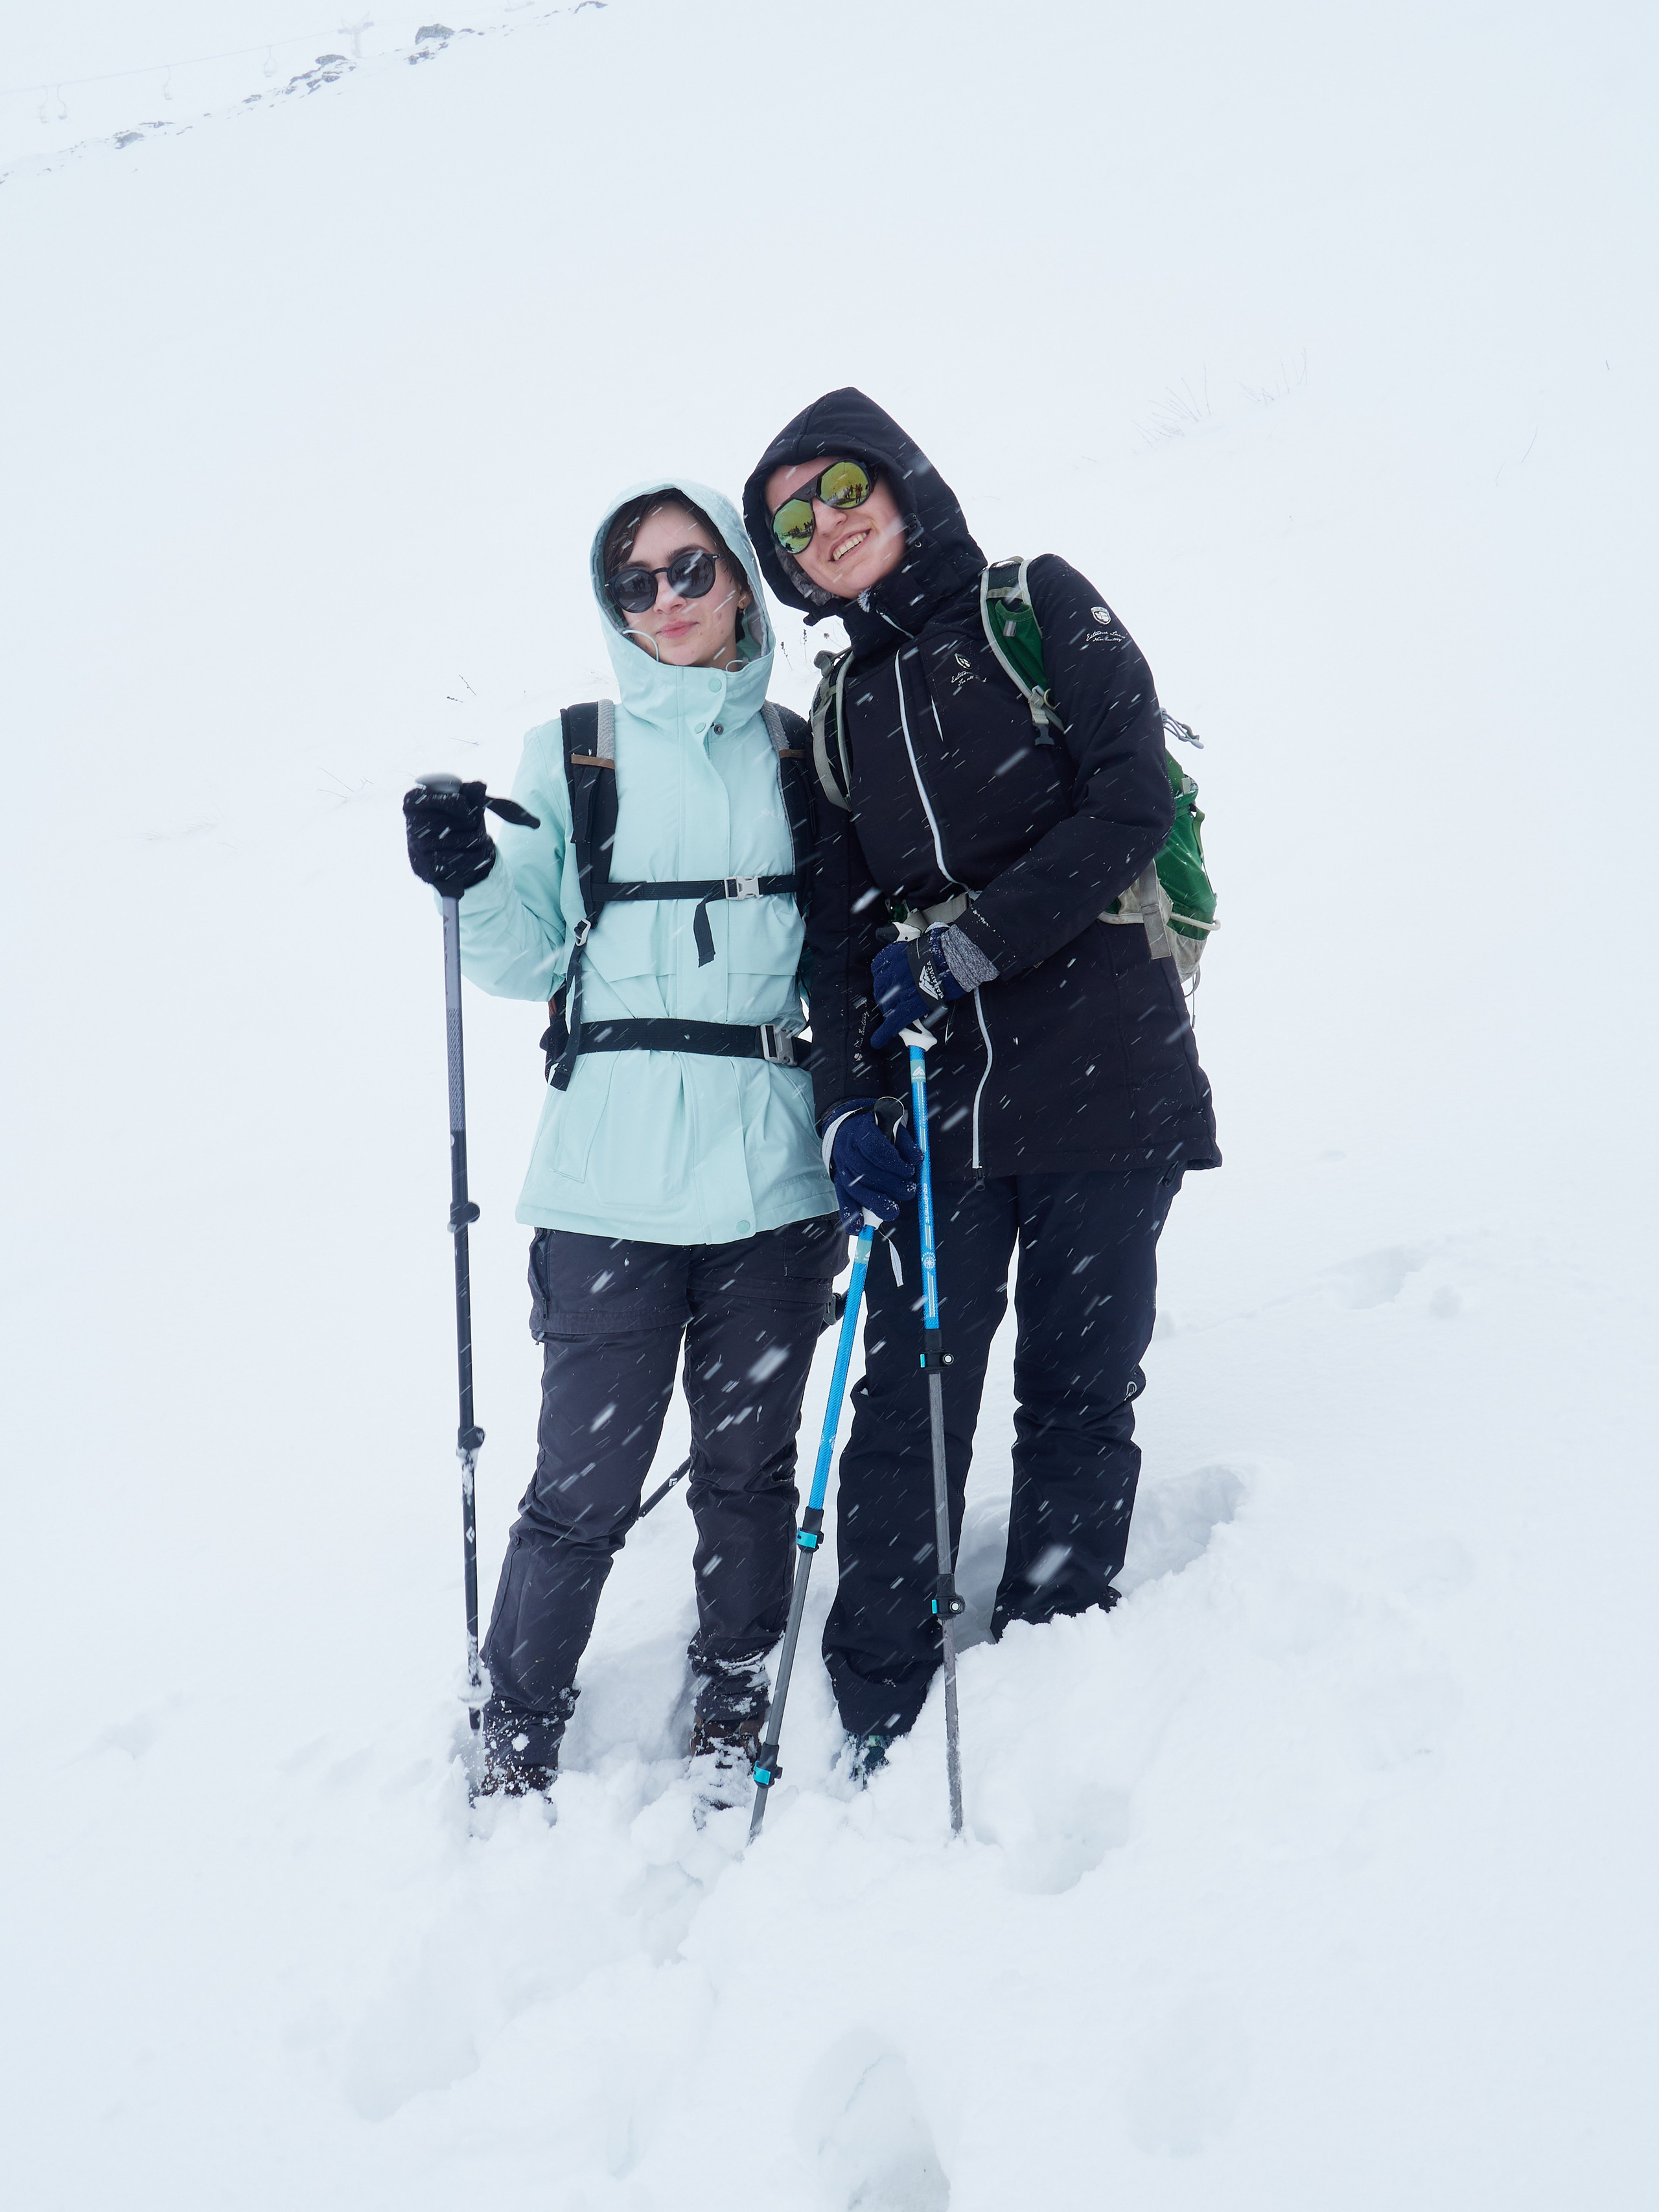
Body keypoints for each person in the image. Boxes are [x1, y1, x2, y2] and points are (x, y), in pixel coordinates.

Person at [741, 391, 1221, 1768]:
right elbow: (836, 940)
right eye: (791, 518)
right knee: (908, 1390)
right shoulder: (833, 712)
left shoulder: (1034, 606)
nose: (825, 523)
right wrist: (841, 1105)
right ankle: (875, 1682)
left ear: (901, 485)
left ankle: (1055, 1645)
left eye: (841, 487)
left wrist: (970, 943)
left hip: (1106, 1068)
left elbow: (1126, 797)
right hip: (934, 1095)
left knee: (1079, 1381)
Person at [402, 480, 868, 1800]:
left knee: (744, 1470)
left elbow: (829, 961)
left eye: (689, 569)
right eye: (636, 583)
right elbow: (526, 954)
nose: (665, 600)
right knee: (581, 1488)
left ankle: (733, 1684)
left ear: (735, 578)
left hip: (771, 1185)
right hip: (606, 1189)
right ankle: (516, 1712)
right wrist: (469, 878)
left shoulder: (797, 753)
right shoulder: (575, 751)